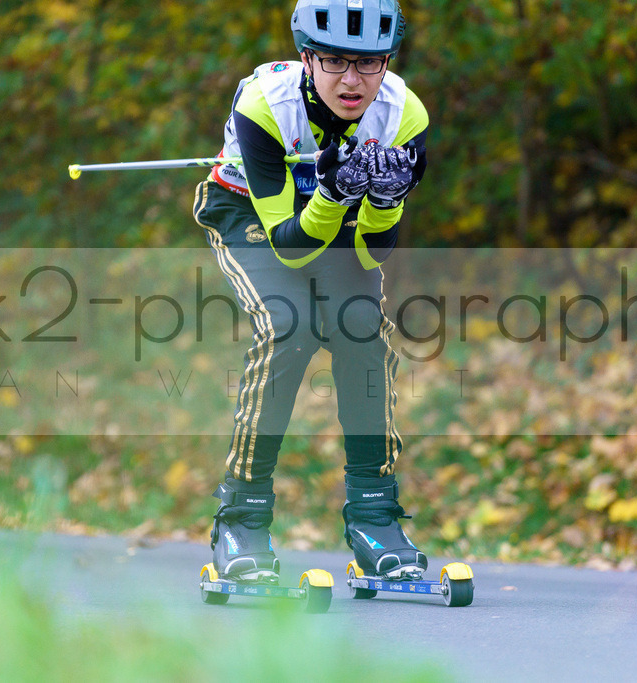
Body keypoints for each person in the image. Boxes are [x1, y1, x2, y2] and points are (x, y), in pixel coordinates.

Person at [192, 0, 429, 583]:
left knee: (361, 332)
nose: (353, 81)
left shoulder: (405, 115)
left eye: (370, 64)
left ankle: (374, 515)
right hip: (249, 212)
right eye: (336, 62)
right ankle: (241, 517)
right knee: (289, 327)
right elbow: (289, 247)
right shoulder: (264, 107)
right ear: (307, 58)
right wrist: (332, 191)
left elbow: (374, 253)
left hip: (339, 220)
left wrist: (386, 198)